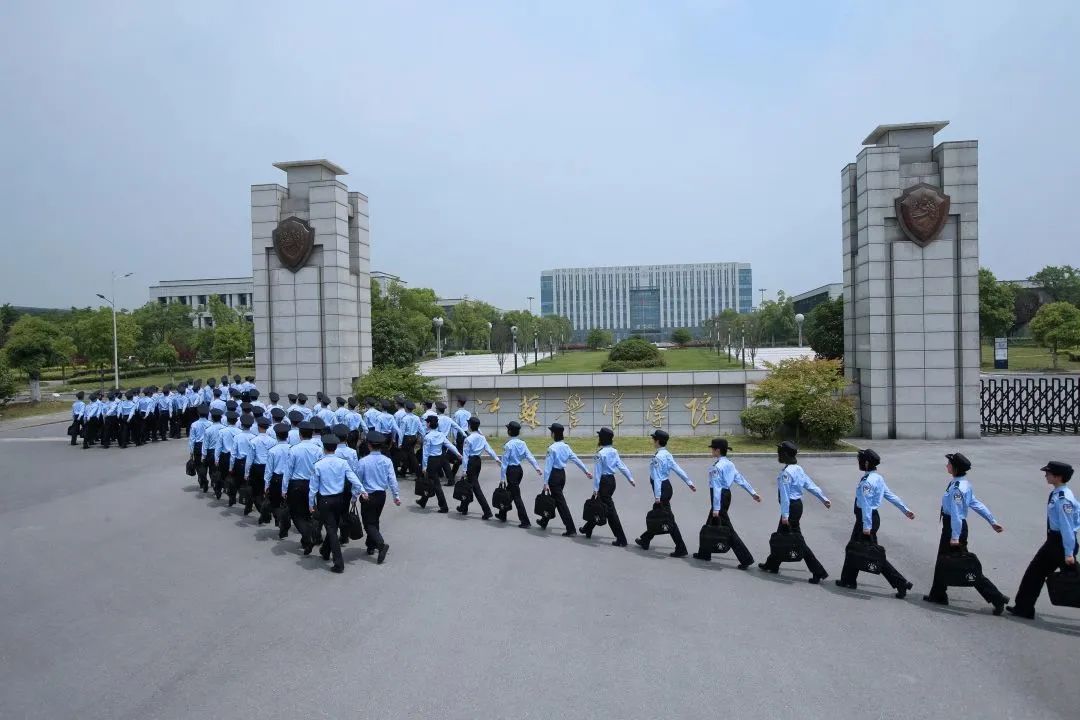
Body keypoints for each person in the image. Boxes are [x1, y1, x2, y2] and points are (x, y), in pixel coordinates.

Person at [923, 452, 1009, 614]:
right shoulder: (963, 484)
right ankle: (938, 594)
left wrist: (955, 537)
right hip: (954, 527)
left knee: (966, 566)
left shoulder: (957, 489)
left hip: (954, 529)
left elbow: (956, 514)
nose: (946, 465)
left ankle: (996, 597)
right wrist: (992, 521)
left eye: (949, 463)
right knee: (943, 561)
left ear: (955, 468)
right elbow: (976, 503)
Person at [834, 449, 916, 598]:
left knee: (873, 555)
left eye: (861, 461)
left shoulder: (868, 482)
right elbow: (890, 495)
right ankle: (849, 580)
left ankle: (900, 582)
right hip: (870, 519)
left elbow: (865, 505)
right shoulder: (877, 478)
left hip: (867, 520)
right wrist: (905, 510)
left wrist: (866, 527)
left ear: (866, 463)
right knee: (854, 548)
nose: (859, 463)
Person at [1008, 461, 1079, 619]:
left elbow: (1067, 527)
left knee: (1035, 573)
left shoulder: (1063, 498)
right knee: (1036, 574)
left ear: (1058, 476)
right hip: (1056, 542)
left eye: (1048, 473)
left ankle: (1023, 608)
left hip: (1060, 543)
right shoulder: (1059, 493)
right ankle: (1023, 608)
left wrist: (1068, 553)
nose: (1045, 475)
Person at [758, 441, 831, 582]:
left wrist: (785, 515)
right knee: (781, 536)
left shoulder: (786, 473)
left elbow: (785, 496)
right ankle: (772, 564)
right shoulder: (798, 469)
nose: (778, 455)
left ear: (785, 454)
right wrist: (823, 498)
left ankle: (818, 572)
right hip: (797, 506)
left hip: (790, 508)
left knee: (798, 541)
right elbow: (810, 484)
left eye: (779, 453)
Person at [692, 438, 759, 567]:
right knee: (709, 523)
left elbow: (716, 488)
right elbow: (740, 479)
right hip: (726, 495)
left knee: (727, 528)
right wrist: (753, 493)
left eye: (712, 448)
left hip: (720, 497)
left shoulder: (717, 467)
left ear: (717, 450)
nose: (711, 450)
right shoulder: (729, 464)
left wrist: (716, 508)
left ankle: (746, 559)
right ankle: (704, 553)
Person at [308, 432, 364, 573]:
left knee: (331, 530)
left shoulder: (319, 465)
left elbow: (313, 488)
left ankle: (339, 563)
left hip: (325, 500)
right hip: (339, 499)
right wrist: (361, 490)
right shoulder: (342, 462)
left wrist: (310, 504)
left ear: (324, 448)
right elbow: (353, 478)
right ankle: (325, 551)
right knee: (333, 526)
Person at [634, 430, 695, 556]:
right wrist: (688, 482)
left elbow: (656, 478)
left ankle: (681, 548)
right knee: (659, 515)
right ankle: (645, 539)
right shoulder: (667, 454)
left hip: (661, 489)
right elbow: (677, 468)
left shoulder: (658, 457)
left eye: (654, 439)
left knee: (667, 519)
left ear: (657, 441)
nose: (653, 441)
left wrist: (657, 497)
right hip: (667, 487)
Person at [581, 427, 635, 545]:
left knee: (608, 511)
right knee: (597, 505)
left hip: (603, 482)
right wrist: (630, 478)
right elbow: (621, 466)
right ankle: (587, 529)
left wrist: (595, 489)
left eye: (599, 436)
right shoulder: (614, 451)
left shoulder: (600, 454)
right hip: (611, 481)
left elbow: (597, 472)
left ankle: (621, 539)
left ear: (602, 439)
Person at [540, 423, 592, 536]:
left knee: (560, 503)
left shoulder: (552, 448)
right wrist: (586, 471)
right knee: (553, 499)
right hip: (562, 475)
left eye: (551, 432)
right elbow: (576, 459)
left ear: (553, 434)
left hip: (554, 476)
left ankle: (571, 529)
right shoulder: (566, 447)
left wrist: (545, 482)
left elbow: (548, 468)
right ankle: (544, 521)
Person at [357, 431, 401, 564]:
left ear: (369, 445)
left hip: (368, 496)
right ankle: (371, 546)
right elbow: (392, 479)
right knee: (374, 520)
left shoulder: (363, 461)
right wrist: (396, 496)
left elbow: (358, 480)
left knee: (368, 523)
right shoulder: (387, 461)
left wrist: (354, 496)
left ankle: (381, 544)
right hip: (381, 495)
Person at [282, 421, 323, 554]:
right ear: (312, 434)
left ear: (300, 435)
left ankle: (307, 537)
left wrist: (284, 489)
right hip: (312, 483)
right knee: (309, 512)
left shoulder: (293, 449)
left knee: (296, 514)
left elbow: (288, 471)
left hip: (297, 484)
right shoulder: (318, 449)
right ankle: (310, 537)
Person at [498, 421, 542, 527]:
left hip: (511, 471)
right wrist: (537, 467)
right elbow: (529, 456)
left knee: (516, 496)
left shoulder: (508, 445)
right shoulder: (522, 443)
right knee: (510, 492)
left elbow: (504, 463)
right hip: (519, 470)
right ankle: (502, 514)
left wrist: (502, 478)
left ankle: (525, 521)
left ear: (509, 431)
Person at [458, 417, 499, 519]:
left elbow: (465, 456)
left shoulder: (468, 439)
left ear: (470, 426)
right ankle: (464, 507)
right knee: (469, 485)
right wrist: (496, 458)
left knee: (475, 487)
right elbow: (489, 449)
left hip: (471, 462)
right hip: (478, 462)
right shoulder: (482, 437)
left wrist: (464, 470)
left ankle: (487, 511)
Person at [419, 414, 460, 513]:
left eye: (426, 422)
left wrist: (424, 466)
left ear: (428, 424)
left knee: (435, 484)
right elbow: (450, 445)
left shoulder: (428, 437)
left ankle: (443, 506)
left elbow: (425, 454)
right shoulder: (441, 435)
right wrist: (458, 454)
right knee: (430, 481)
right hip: (439, 460)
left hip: (431, 461)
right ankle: (423, 501)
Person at [264, 423, 293, 534]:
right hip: (289, 478)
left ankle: (279, 519)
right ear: (287, 436)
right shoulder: (292, 449)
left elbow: (269, 470)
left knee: (275, 503)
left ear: (276, 436)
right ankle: (285, 521)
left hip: (276, 478)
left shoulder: (272, 450)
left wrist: (266, 485)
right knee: (287, 503)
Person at [245, 416, 273, 516]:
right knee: (267, 490)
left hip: (257, 468)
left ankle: (263, 510)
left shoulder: (254, 441)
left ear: (258, 427)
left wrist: (247, 472)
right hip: (269, 467)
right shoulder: (273, 441)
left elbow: (250, 459)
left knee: (257, 492)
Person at [435, 401, 469, 485]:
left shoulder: (435, 418)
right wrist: (465, 435)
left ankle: (450, 479)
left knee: (442, 459)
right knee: (441, 458)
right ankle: (441, 475)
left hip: (436, 440)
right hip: (445, 440)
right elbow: (458, 427)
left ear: (437, 410)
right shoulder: (448, 419)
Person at [188, 404, 212, 492]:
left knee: (199, 465)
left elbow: (192, 439)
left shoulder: (194, 425)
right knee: (209, 464)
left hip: (198, 446)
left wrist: (191, 451)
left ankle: (203, 480)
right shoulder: (211, 424)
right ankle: (212, 480)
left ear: (198, 414)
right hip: (209, 446)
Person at [397, 401, 422, 478]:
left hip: (406, 438)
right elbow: (421, 429)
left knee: (408, 456)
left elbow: (401, 432)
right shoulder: (416, 418)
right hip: (413, 437)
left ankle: (418, 473)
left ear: (406, 408)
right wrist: (423, 437)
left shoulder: (404, 419)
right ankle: (403, 471)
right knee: (409, 455)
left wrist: (399, 443)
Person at [450, 397, 471, 480]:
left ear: (459, 403)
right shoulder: (468, 413)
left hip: (460, 434)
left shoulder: (457, 413)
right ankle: (467, 473)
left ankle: (452, 474)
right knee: (466, 453)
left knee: (459, 454)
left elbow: (455, 427)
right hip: (466, 433)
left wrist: (454, 439)